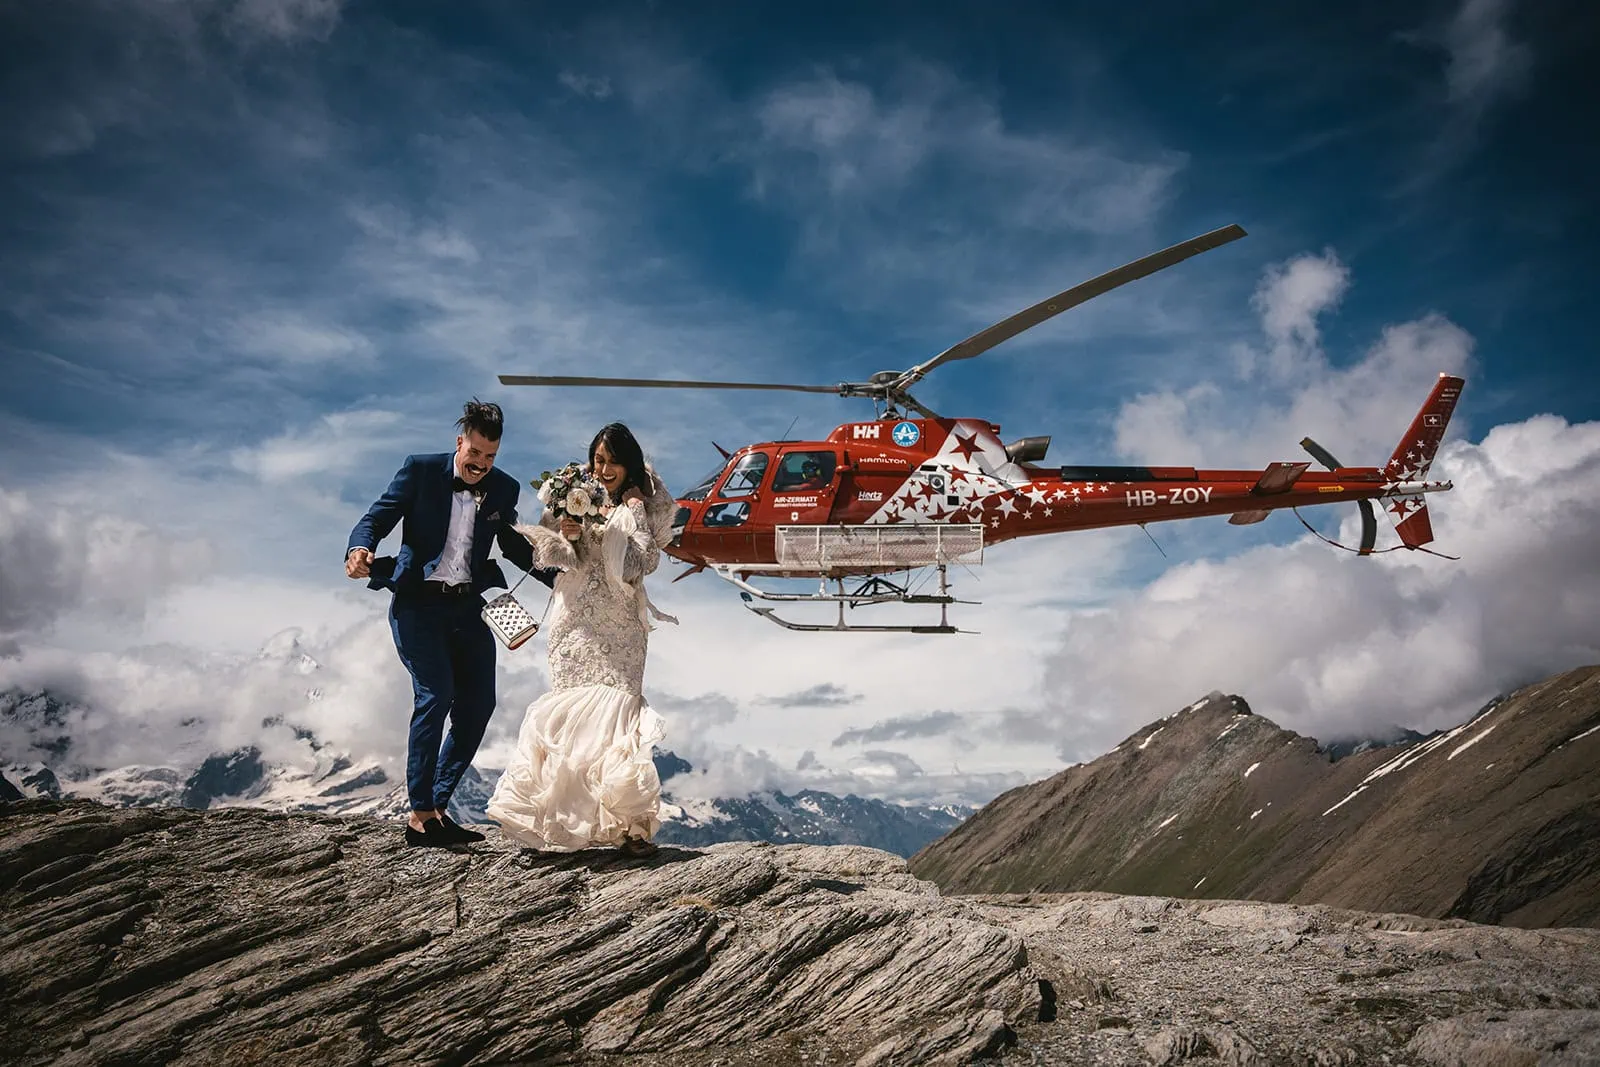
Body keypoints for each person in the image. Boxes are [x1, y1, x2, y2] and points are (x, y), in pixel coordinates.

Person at [346, 399, 557, 848]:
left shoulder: (504, 488)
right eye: (474, 453)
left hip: (468, 606)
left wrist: (562, 578)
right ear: (459, 442)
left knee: (479, 704)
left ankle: (439, 806)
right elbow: (376, 517)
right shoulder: (420, 470)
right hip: (418, 605)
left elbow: (512, 547)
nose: (481, 464)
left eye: (490, 457)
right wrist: (359, 548)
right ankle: (420, 815)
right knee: (436, 694)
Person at [486, 421, 677, 857]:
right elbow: (546, 556)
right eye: (599, 460)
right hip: (573, 619)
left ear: (630, 464)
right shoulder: (569, 492)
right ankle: (556, 823)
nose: (604, 468)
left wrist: (636, 511)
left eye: (613, 461)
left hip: (622, 622)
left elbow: (643, 563)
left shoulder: (647, 504)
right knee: (570, 713)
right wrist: (566, 539)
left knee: (620, 712)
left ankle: (628, 828)